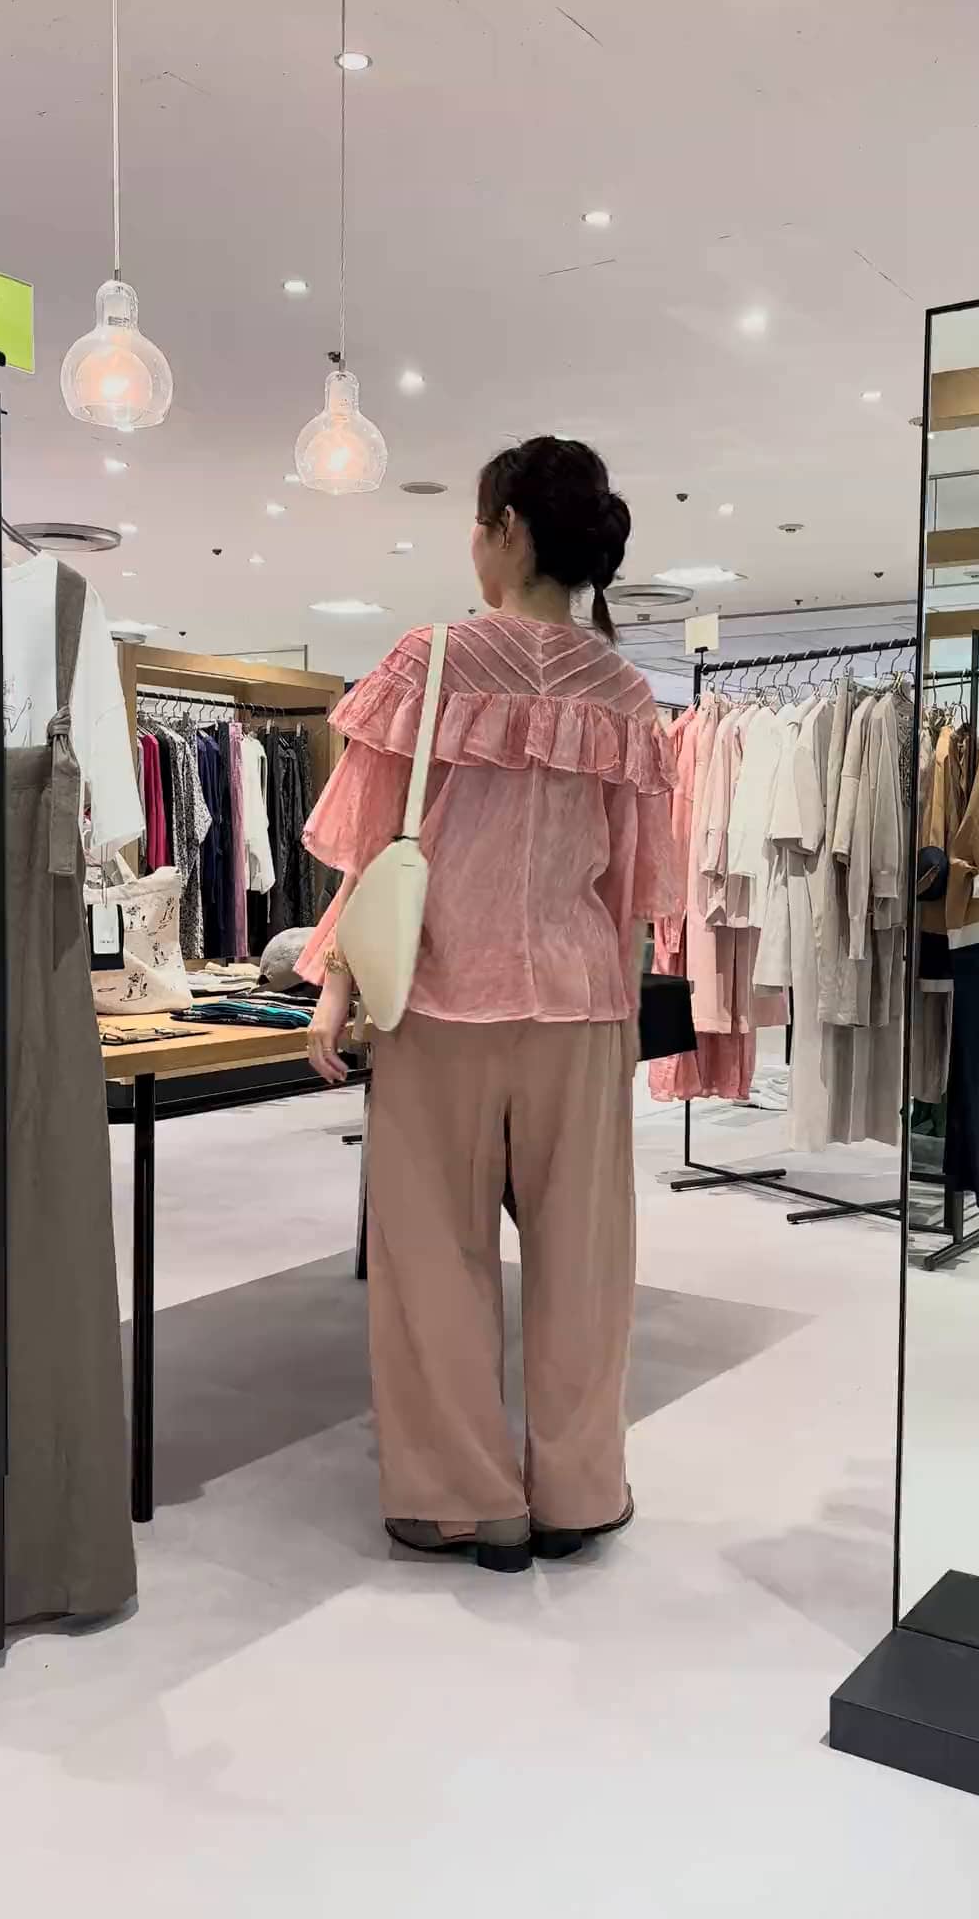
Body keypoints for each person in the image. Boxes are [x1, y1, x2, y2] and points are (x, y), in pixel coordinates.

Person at [299, 436, 678, 1572]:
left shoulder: (431, 662)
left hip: (439, 1003)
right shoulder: (626, 694)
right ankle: (578, 1490)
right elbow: (632, 886)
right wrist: (617, 1011)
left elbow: (373, 849)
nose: (473, 542)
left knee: (435, 1254)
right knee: (583, 1260)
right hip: (580, 1006)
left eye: (478, 521)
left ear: (508, 528)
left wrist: (334, 986)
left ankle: (466, 1501)